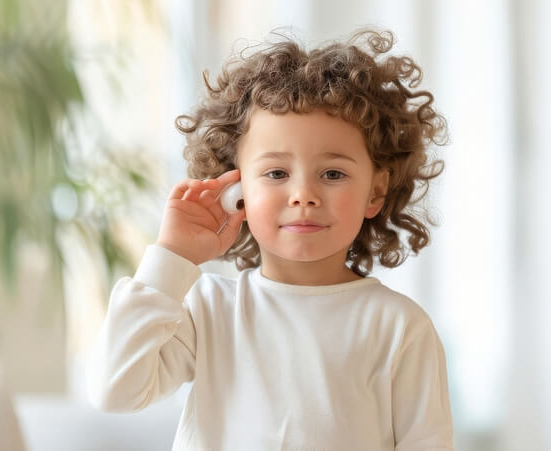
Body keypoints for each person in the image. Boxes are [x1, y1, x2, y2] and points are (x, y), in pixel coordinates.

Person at [86, 28, 454, 451]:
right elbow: (114, 390)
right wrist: (172, 257)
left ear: (375, 191)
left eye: (333, 174)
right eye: (276, 173)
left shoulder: (400, 327)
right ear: (236, 189)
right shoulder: (209, 310)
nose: (304, 195)